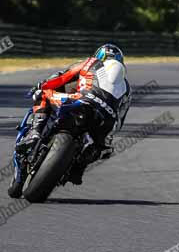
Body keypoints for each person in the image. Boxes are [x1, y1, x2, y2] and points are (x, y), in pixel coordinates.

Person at [13, 44, 131, 187]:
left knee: (43, 94)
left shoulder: (90, 62)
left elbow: (63, 77)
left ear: (99, 56)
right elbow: (120, 118)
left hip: (81, 100)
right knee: (100, 147)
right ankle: (78, 167)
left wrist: (41, 86)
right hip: (107, 119)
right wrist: (107, 140)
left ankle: (35, 132)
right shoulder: (127, 88)